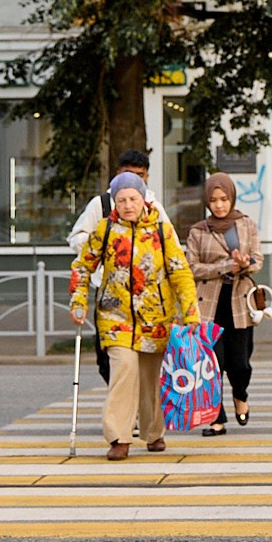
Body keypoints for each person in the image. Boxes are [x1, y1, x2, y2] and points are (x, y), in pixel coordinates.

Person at [70, 171, 200, 460]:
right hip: (115, 317)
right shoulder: (105, 230)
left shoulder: (162, 231)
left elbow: (180, 273)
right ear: (114, 202)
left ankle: (153, 432)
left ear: (143, 199)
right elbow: (83, 266)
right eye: (122, 200)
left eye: (132, 199)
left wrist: (191, 313)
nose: (128, 205)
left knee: (150, 377)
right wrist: (78, 300)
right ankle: (119, 436)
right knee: (124, 371)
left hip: (156, 317)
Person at [67, 149, 159, 384]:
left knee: (143, 357)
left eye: (139, 175)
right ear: (118, 173)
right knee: (107, 357)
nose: (132, 180)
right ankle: (122, 395)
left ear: (147, 177)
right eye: (128, 173)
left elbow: (171, 252)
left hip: (146, 294)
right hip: (110, 293)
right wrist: (103, 245)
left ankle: (133, 401)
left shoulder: (153, 206)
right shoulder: (102, 204)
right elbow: (77, 240)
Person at [185, 172, 262, 435]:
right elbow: (192, 267)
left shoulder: (246, 224)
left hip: (239, 302)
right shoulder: (198, 230)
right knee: (213, 364)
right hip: (209, 304)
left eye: (224, 199)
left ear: (232, 198)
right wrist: (225, 266)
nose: (219, 205)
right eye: (214, 200)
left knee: (240, 363)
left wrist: (245, 263)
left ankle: (240, 395)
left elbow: (258, 259)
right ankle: (216, 418)